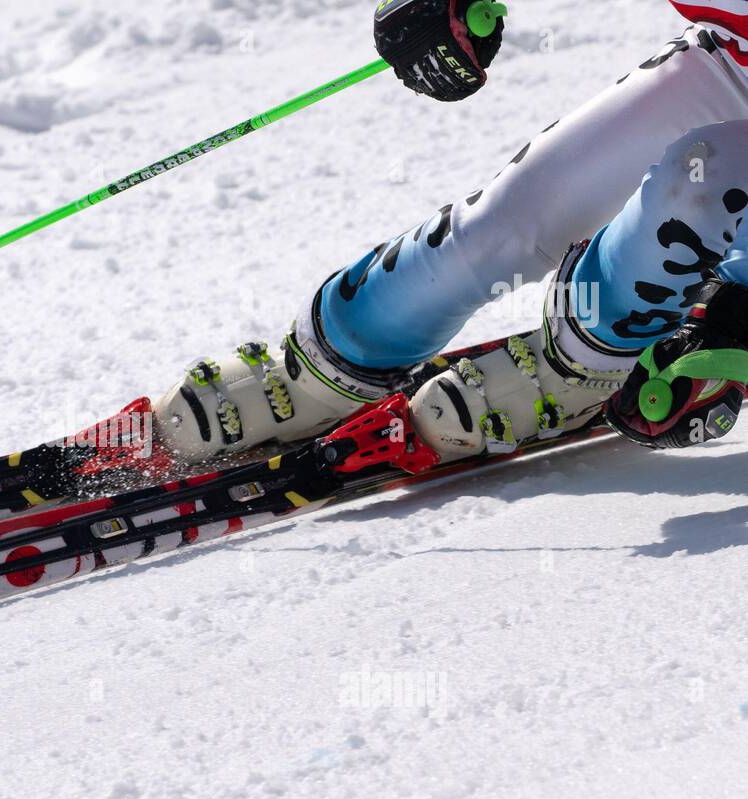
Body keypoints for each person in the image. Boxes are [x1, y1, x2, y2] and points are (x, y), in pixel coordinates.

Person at [149, 0, 748, 465]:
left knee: (704, 176)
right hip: (732, 62)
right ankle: (325, 368)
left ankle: (585, 365)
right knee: (509, 220)